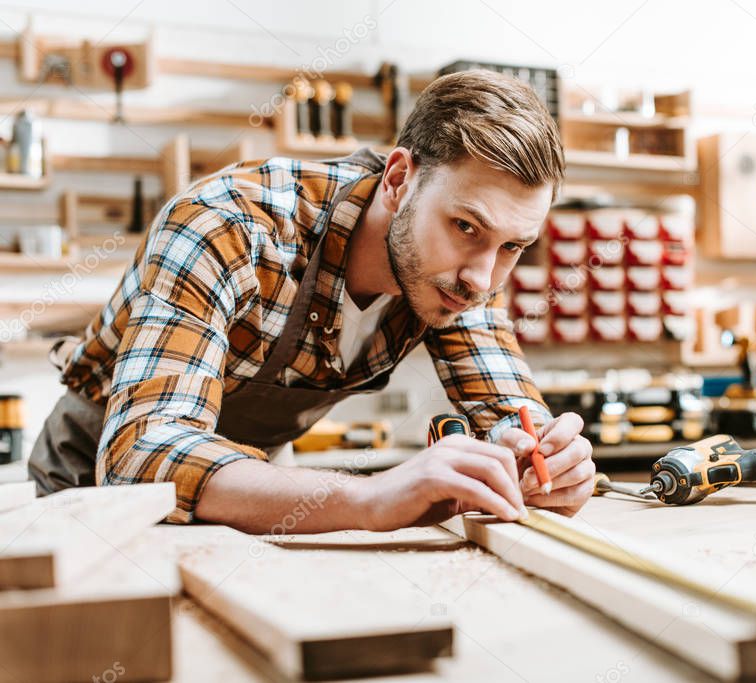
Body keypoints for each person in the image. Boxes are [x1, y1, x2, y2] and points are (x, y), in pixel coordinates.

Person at [28, 69, 595, 533]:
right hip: (91, 485)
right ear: (399, 180)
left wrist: (542, 460)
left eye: (513, 246)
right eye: (466, 226)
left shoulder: (464, 273)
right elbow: (142, 459)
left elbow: (508, 414)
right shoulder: (229, 224)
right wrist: (373, 497)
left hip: (250, 494)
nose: (482, 278)